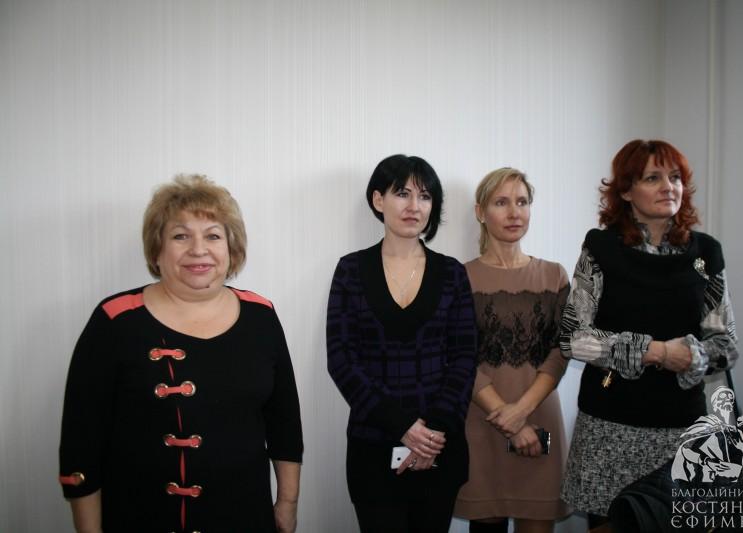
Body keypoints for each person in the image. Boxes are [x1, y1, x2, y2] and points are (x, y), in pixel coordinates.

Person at [58, 175, 303, 532]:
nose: (198, 250)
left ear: (232, 249)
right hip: (139, 518)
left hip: (244, 516)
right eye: (180, 236)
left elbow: (285, 423)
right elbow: (81, 442)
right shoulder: (115, 320)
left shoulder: (261, 316)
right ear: (157, 250)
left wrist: (287, 503)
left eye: (213, 236)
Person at [559, 140, 739, 531]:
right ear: (626, 191)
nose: (669, 187)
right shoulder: (600, 248)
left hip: (682, 429)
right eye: (653, 178)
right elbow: (573, 337)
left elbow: (726, 346)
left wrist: (691, 355)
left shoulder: (706, 253)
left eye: (675, 178)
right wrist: (653, 352)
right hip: (609, 429)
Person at [326, 154, 477, 533]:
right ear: (378, 200)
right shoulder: (351, 270)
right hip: (373, 446)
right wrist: (403, 426)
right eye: (402, 193)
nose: (414, 206)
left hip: (440, 445)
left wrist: (433, 431)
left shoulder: (452, 273)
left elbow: (464, 356)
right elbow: (341, 359)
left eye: (424, 196)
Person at [453, 168, 571, 533]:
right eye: (501, 202)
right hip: (481, 421)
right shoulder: (458, 277)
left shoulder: (554, 275)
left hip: (540, 417)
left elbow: (561, 350)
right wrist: (508, 419)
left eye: (522, 202)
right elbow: (457, 356)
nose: (514, 212)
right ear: (480, 212)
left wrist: (521, 412)